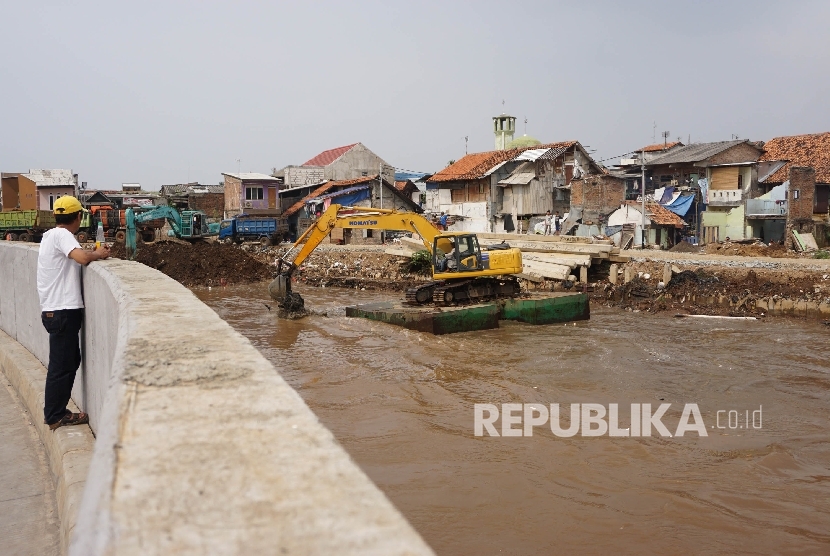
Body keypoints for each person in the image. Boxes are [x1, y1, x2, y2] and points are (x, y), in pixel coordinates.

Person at [37, 196, 110, 431]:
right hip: (62, 311)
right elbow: (80, 258)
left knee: (67, 362)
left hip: (54, 310)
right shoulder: (62, 235)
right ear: (78, 217)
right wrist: (99, 254)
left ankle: (56, 412)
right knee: (62, 365)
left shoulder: (49, 236)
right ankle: (55, 415)